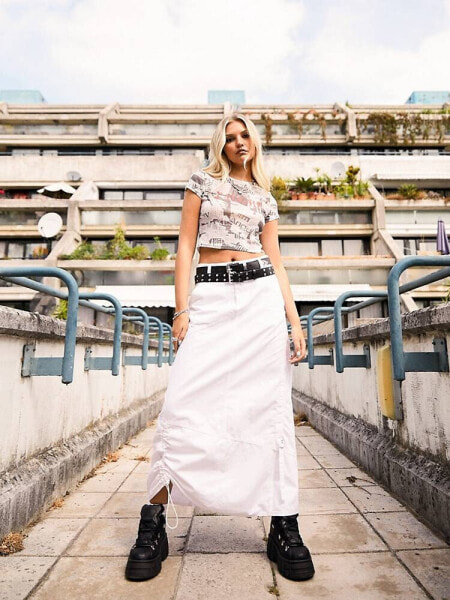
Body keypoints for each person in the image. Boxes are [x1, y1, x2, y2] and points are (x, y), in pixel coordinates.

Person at [125, 113, 315, 583]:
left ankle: (283, 522)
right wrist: (182, 308)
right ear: (220, 145)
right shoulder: (201, 183)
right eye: (229, 137)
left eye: (244, 134)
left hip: (260, 300)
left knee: (268, 410)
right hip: (208, 297)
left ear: (255, 141)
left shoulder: (266, 198)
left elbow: (277, 261)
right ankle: (154, 522)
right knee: (181, 407)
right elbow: (185, 245)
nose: (238, 142)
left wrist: (294, 321)